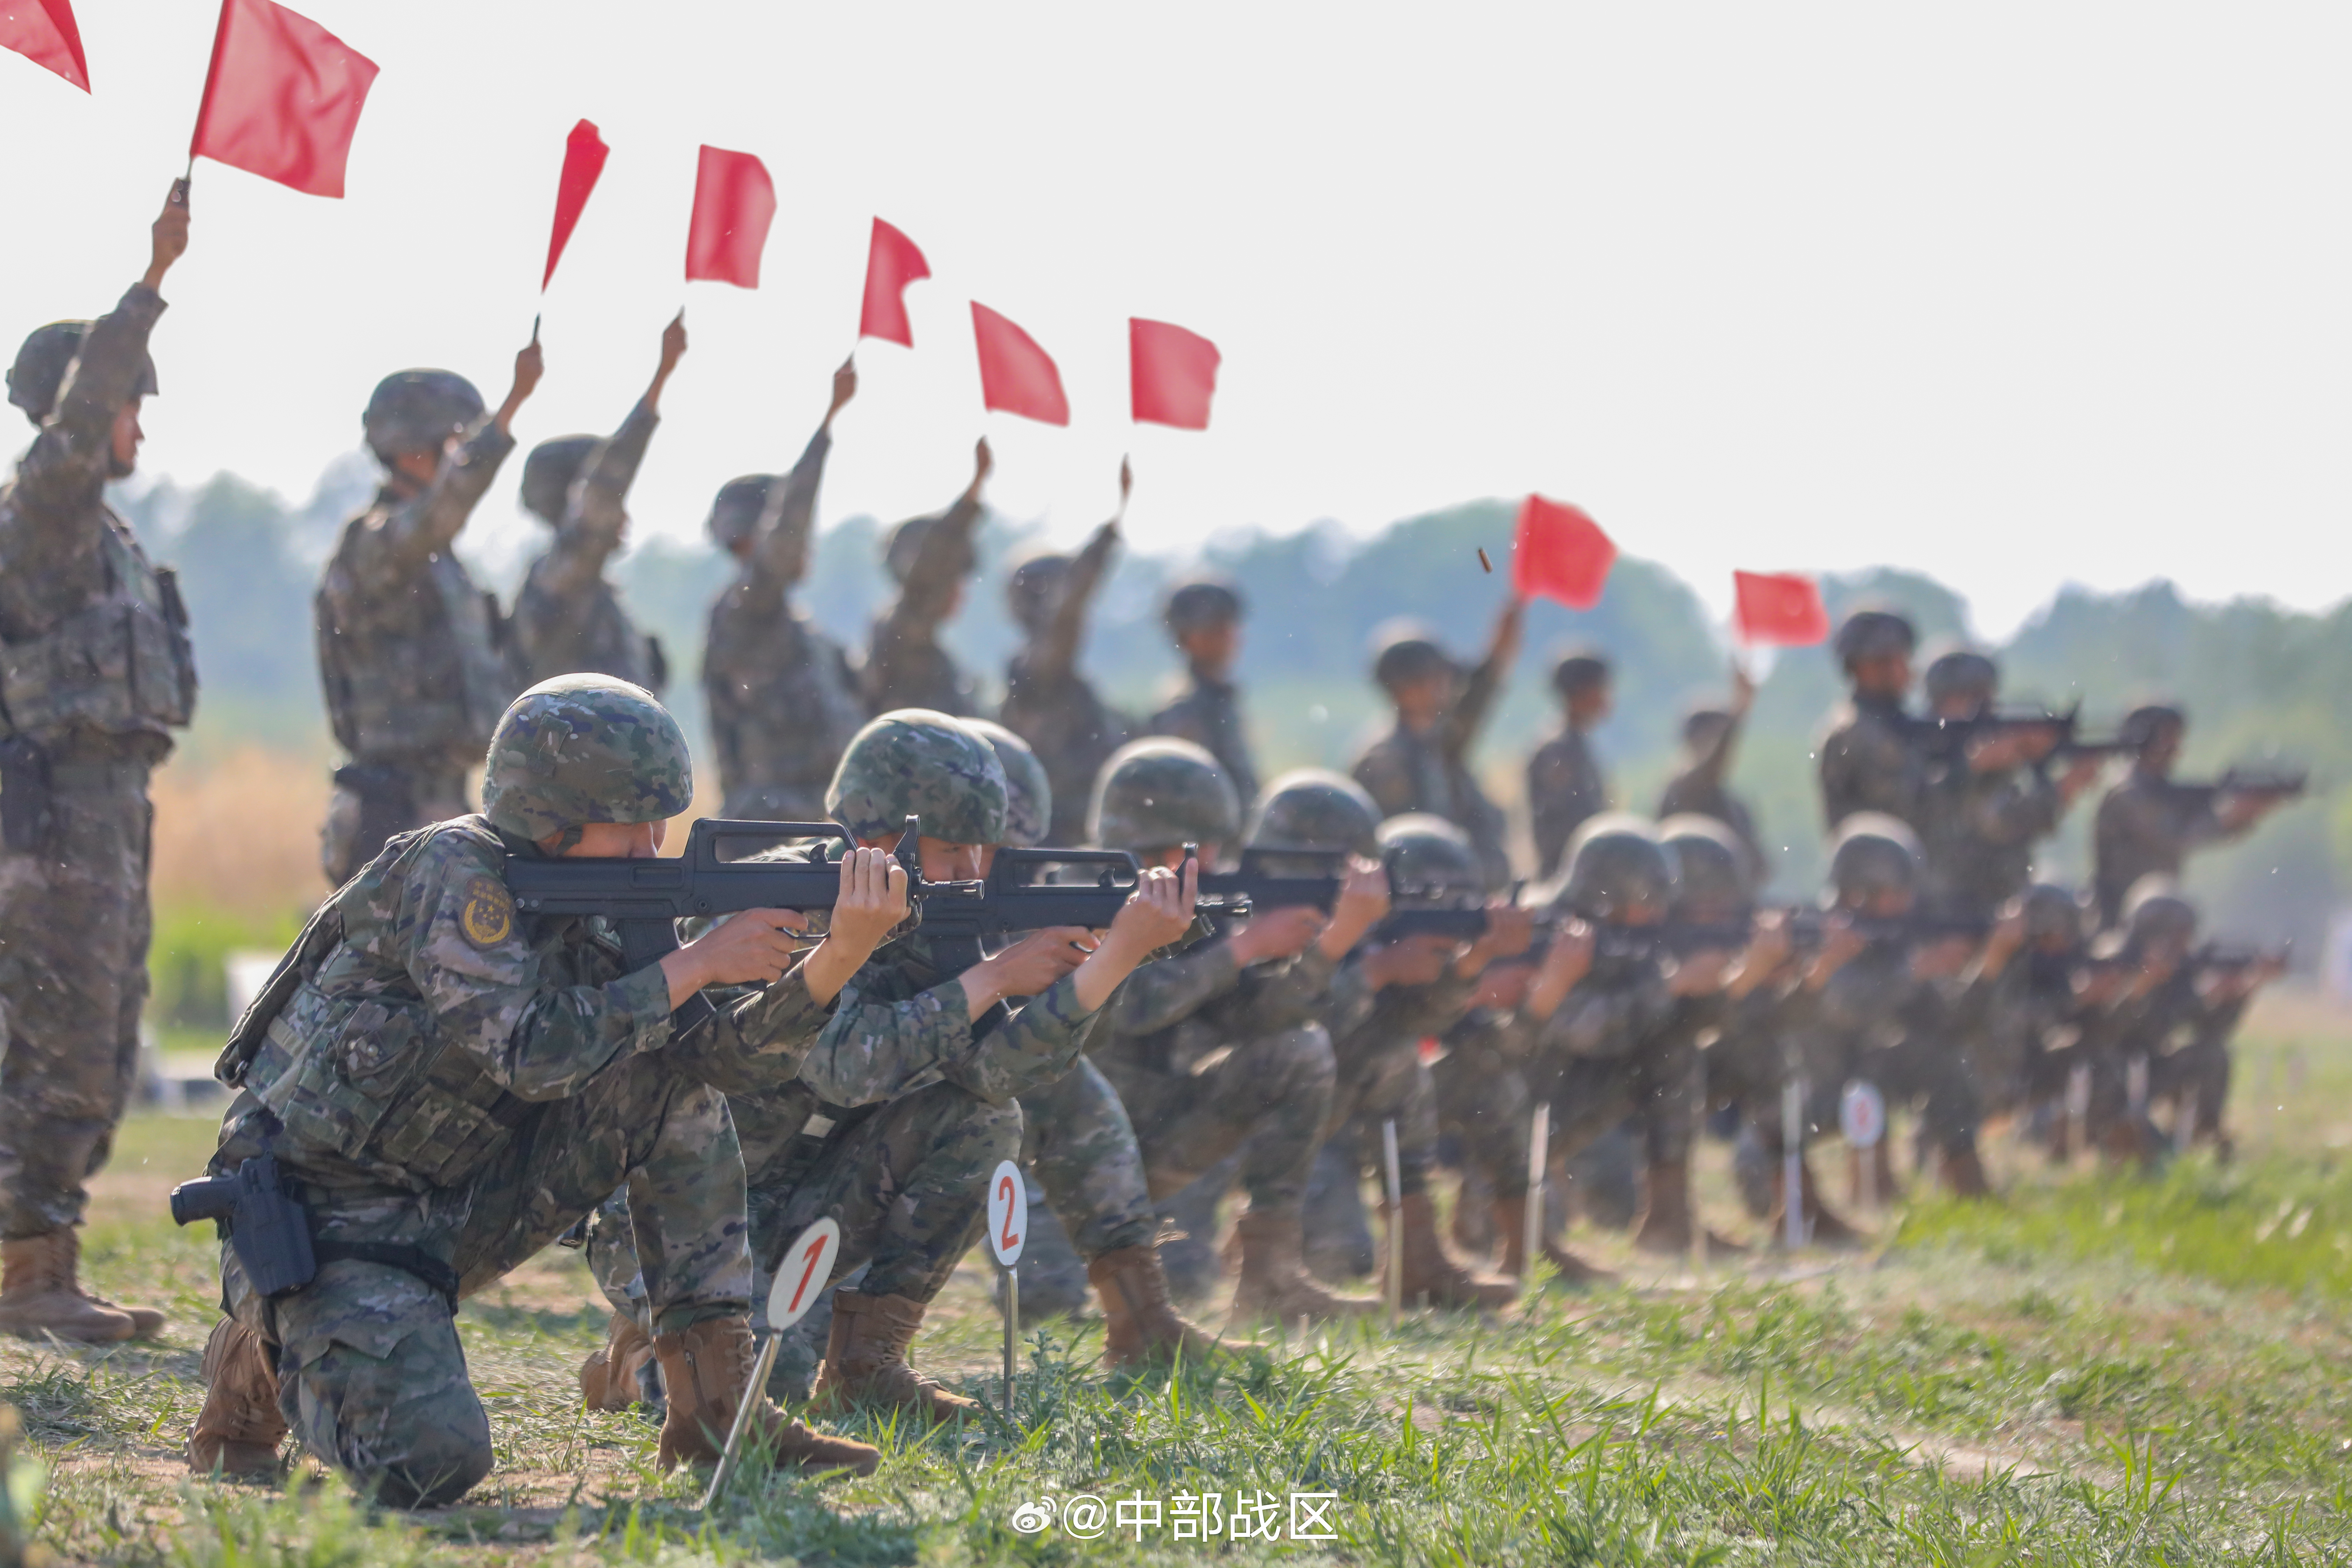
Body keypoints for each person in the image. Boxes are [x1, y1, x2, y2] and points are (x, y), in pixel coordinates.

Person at [183, 677, 900, 1502]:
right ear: (549, 816)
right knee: (428, 1467)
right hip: (321, 1217)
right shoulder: (452, 872)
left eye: (659, 822)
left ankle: (717, 1414)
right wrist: (698, 962)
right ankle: (262, 1347)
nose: (650, 845)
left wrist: (838, 955)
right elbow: (526, 1050)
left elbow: (719, 1061)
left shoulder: (606, 901)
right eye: (629, 823)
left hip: (455, 1197)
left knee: (668, 1086)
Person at [0, 183, 194, 1343]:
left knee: (105, 1036)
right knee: (57, 1039)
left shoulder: (109, 540)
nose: (139, 426)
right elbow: (72, 435)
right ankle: (27, 1281)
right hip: (57, 819)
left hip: (113, 811)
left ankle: (46, 1261)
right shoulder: (46, 513)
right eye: (130, 403)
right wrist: (153, 282)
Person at [1075, 740, 1391, 1322]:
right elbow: (1123, 1008)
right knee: (1051, 1300)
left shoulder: (1196, 910)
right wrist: (1243, 947)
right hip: (1062, 1165)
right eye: (1210, 848)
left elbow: (1259, 1022)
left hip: (1152, 1141)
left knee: (1299, 1052)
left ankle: (1270, 1276)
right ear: (1175, 846)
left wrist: (1330, 946)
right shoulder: (1072, 898)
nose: (1222, 862)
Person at [316, 336, 541, 885]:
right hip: (391, 810)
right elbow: (444, 508)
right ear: (418, 448)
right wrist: (511, 407)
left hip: (439, 797)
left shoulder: (436, 562)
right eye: (454, 446)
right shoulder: (376, 547)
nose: (458, 460)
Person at [702, 360, 867, 820]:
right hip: (767, 825)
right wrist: (826, 428)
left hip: (813, 819)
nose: (806, 545)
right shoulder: (744, 612)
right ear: (754, 539)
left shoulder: (799, 630)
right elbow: (783, 546)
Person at [509, 314, 685, 692]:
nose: (622, 514)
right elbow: (602, 491)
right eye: (616, 501)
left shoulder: (589, 587)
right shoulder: (560, 577)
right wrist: (660, 379)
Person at [999, 463, 1133, 843]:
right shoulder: (1038, 673)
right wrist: (1109, 532)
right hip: (1052, 844)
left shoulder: (1056, 677)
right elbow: (1067, 613)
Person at [1351, 597, 1525, 890]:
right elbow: (1402, 853)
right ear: (1405, 687)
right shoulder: (1386, 761)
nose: (1447, 685)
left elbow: (1475, 702)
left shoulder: (1436, 743)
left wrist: (1499, 655)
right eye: (1436, 677)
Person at [1915, 650, 2104, 917]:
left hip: (2000, 897)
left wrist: (2062, 782)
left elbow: (2014, 819)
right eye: (1970, 697)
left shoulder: (1989, 754)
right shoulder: (1920, 746)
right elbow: (1918, 805)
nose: (1984, 706)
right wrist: (1971, 767)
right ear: (1942, 700)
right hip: (1941, 904)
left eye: (1985, 696)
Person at [2091, 705, 2296, 928]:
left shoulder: (2159, 792)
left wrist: (2245, 813)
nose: (2176, 748)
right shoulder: (2127, 795)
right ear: (2143, 738)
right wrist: (2229, 815)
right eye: (2167, 737)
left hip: (2151, 918)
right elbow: (2175, 838)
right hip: (2117, 922)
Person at [864, 438, 991, 715]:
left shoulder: (935, 654)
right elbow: (931, 574)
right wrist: (973, 493)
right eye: (953, 580)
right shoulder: (899, 631)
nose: (960, 592)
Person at [1149, 579, 1258, 807]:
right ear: (1187, 639)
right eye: (1214, 629)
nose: (1228, 636)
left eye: (1229, 625)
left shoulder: (1218, 699)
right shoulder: (1184, 709)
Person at [1816, 609, 1928, 833]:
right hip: (1875, 864)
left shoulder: (1895, 723)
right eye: (1894, 659)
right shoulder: (1852, 731)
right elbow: (1902, 803)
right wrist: (1966, 769)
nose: (1906, 668)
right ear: (1866, 666)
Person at [1657, 663, 1764, 885]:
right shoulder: (1683, 785)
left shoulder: (1731, 800)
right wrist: (1740, 710)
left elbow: (1759, 865)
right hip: (1692, 902)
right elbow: (1713, 766)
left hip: (1727, 902)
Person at [1526, 649, 1613, 881]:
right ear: (1581, 691)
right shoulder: (1559, 748)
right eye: (1601, 687)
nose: (1607, 697)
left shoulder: (1576, 743)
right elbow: (1563, 827)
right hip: (1567, 878)